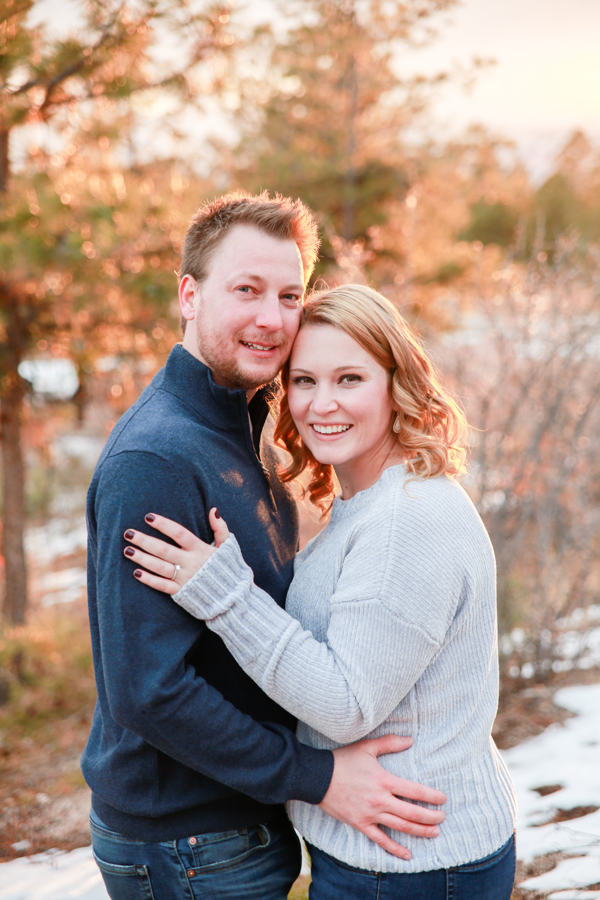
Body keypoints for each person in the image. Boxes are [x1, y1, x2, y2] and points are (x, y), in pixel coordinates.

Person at [83, 195, 447, 900]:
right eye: (246, 290)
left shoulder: (233, 423)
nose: (273, 319)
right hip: (189, 836)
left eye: (289, 295)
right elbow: (148, 691)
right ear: (188, 295)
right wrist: (321, 778)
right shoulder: (157, 458)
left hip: (234, 819)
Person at [124, 283, 518, 900]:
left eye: (349, 379)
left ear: (398, 382)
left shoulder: (404, 523)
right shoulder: (375, 497)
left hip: (407, 863)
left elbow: (344, 704)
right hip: (397, 851)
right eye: (304, 380)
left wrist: (226, 597)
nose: (321, 404)